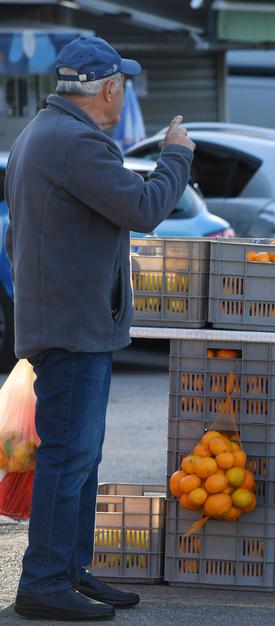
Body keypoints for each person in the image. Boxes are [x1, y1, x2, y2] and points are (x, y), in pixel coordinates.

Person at [5, 35, 195, 621]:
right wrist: (177, 155)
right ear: (108, 88)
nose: (124, 94)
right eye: (123, 84)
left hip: (67, 319)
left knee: (78, 455)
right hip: (74, 326)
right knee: (70, 455)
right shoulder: (76, 142)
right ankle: (44, 581)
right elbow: (143, 210)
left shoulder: (43, 133)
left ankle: (67, 570)